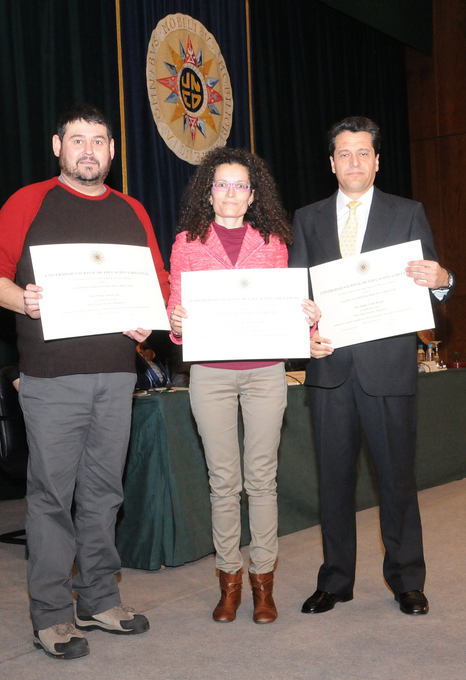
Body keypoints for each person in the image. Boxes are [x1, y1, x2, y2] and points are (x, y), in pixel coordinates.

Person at [0, 104, 168, 660]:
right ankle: (52, 615)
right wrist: (21, 299)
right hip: (51, 378)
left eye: (99, 140)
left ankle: (100, 599)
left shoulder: (133, 209)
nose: (88, 149)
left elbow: (156, 279)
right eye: (76, 139)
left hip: (115, 375)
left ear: (112, 151)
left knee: (105, 495)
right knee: (53, 499)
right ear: (58, 146)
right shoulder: (28, 201)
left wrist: (148, 315)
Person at [288, 116, 454, 616]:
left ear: (377, 161)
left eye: (363, 152)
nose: (354, 161)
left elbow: (434, 280)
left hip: (388, 370)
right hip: (330, 369)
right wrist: (304, 332)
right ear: (331, 163)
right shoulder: (308, 218)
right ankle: (335, 580)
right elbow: (298, 293)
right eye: (344, 153)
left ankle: (407, 580)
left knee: (397, 480)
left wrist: (443, 277)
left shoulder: (408, 213)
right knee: (333, 482)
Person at [166, 147, 320, 624]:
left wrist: (309, 321)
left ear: (253, 195)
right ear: (207, 193)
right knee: (222, 482)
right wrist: (176, 320)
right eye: (221, 184)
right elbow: (177, 319)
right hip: (210, 373)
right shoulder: (185, 244)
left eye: (239, 185)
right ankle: (229, 581)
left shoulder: (274, 242)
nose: (230, 193)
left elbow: (288, 307)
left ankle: (263, 584)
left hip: (265, 371)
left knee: (262, 480)